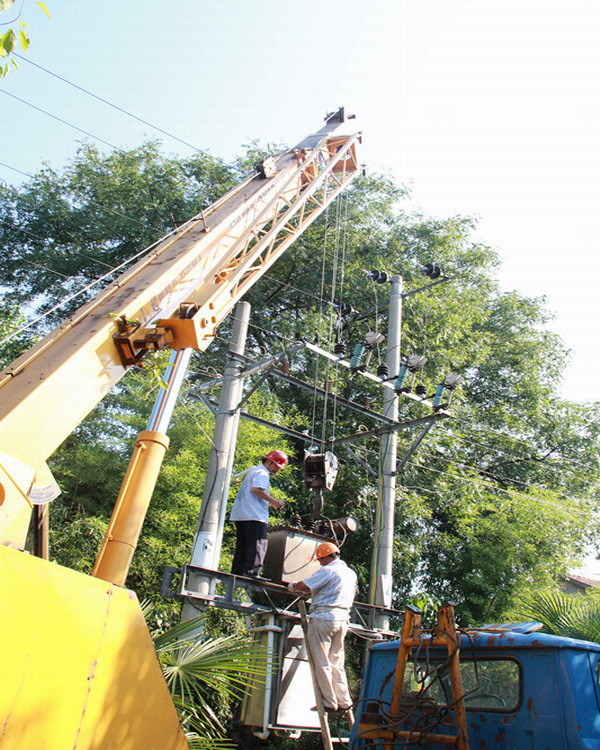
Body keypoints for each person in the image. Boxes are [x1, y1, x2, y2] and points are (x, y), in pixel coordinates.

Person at [288, 541, 357, 712]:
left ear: (326, 557)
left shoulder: (328, 570)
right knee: (336, 662)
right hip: (342, 620)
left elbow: (303, 586)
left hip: (324, 619)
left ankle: (329, 702)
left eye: (320, 560)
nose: (320, 563)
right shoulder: (350, 573)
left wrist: (291, 586)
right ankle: (344, 701)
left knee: (321, 661)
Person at [229, 450, 288, 577]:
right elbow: (256, 489)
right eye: (277, 466)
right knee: (258, 544)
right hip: (255, 515)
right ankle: (252, 571)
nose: (277, 470)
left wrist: (271, 502)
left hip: (242, 514)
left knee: (243, 546)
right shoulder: (262, 473)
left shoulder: (254, 471)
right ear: (269, 462)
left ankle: (237, 571)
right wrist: (274, 501)